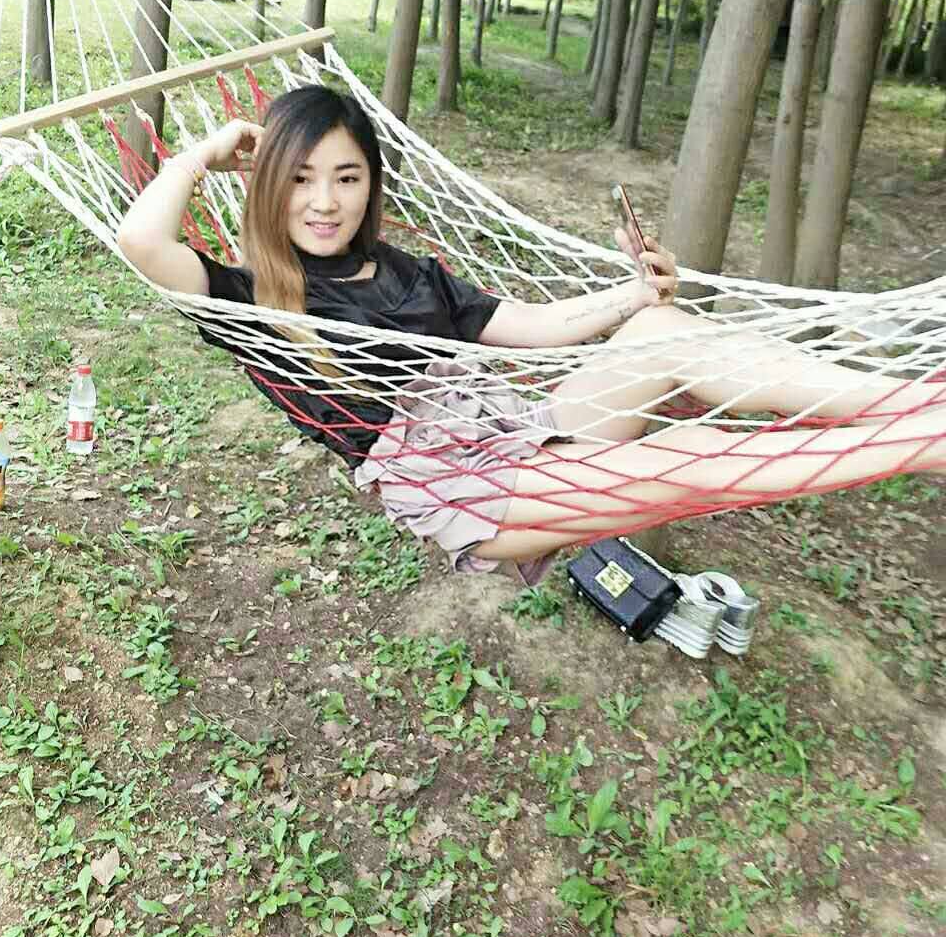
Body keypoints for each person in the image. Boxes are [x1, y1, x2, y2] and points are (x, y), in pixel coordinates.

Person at [117, 86, 946, 583]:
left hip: (515, 433)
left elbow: (537, 326)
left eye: (346, 177)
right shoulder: (252, 302)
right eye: (299, 179)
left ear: (371, 185)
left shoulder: (404, 272)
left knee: (662, 324)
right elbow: (141, 241)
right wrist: (204, 155)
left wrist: (633, 294)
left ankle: (915, 400)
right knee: (684, 456)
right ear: (267, 183)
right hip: (464, 492)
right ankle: (926, 442)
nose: (324, 201)